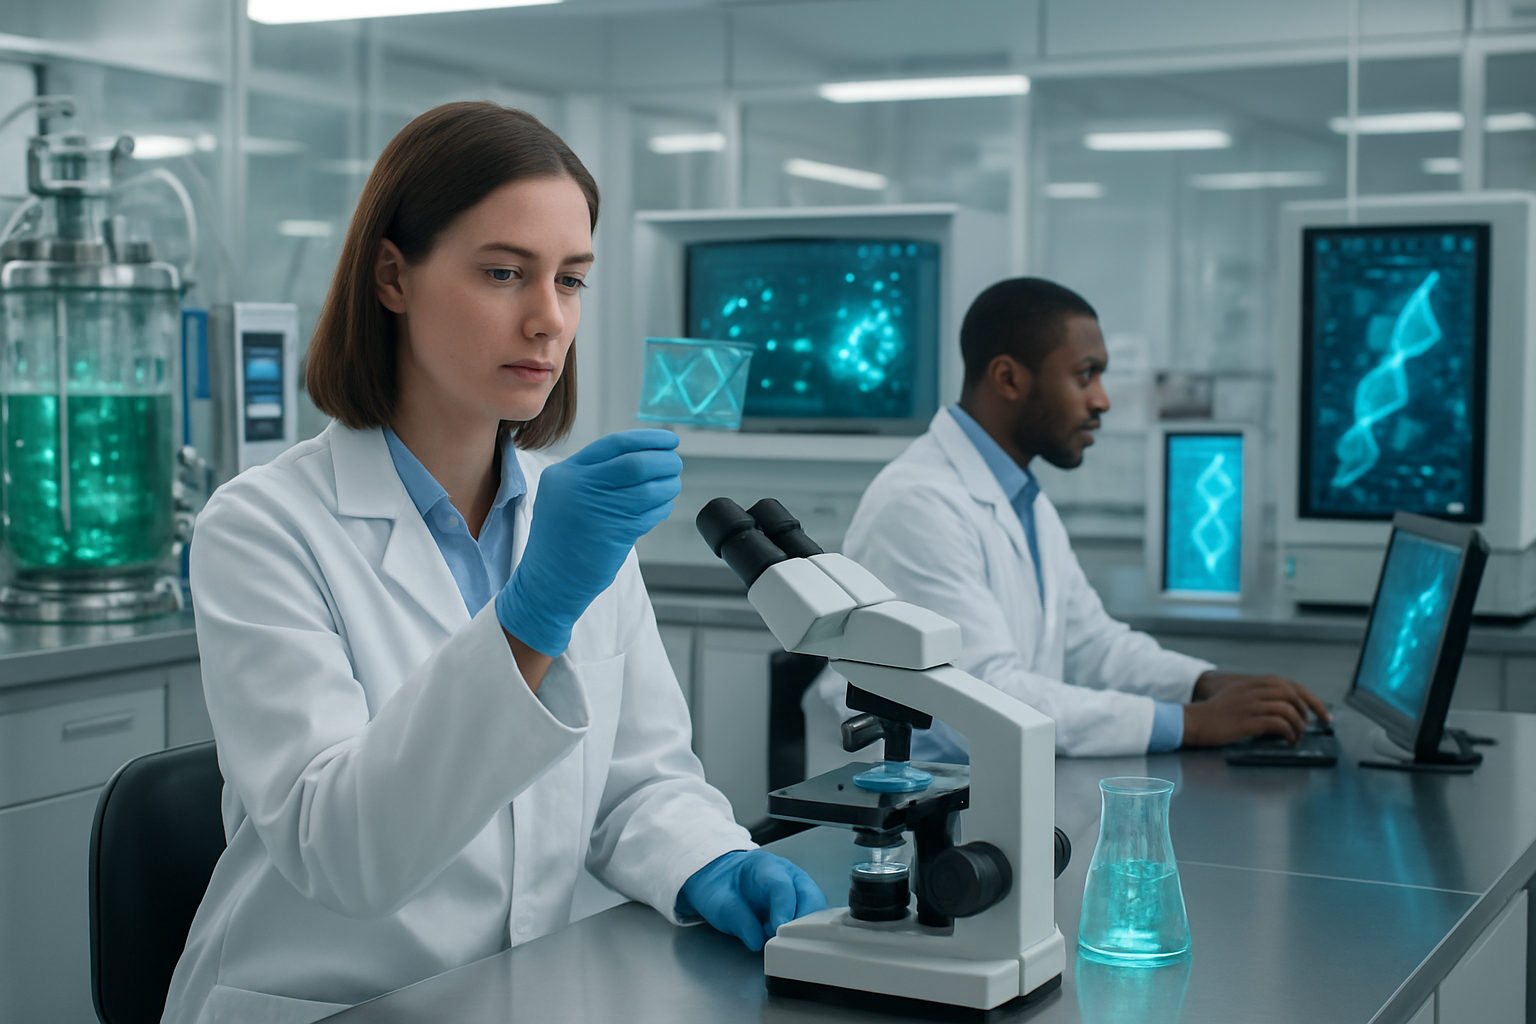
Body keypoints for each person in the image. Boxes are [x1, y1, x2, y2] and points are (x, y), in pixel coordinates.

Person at [163, 102, 823, 1024]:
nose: (549, 320)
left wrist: (709, 855)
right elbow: (343, 852)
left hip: (536, 992)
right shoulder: (264, 528)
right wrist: (534, 611)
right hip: (330, 1006)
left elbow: (637, 783)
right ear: (393, 276)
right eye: (505, 272)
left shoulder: (572, 516)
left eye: (573, 280)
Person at [805, 277, 1329, 765]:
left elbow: (1091, 644)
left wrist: (1204, 684)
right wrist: (1190, 723)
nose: (1101, 400)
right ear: (1008, 378)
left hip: (992, 793)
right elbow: (982, 697)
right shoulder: (919, 504)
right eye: (1085, 375)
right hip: (918, 820)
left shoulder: (1020, 496)